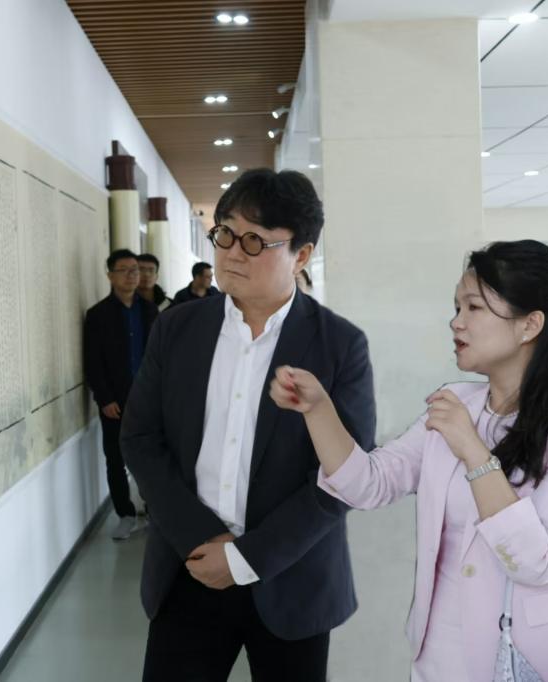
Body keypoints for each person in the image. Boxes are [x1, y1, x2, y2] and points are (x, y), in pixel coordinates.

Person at [270, 240, 548, 681]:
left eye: (474, 307)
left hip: (530, 660)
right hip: (439, 655)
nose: (456, 321)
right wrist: (318, 409)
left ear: (530, 324)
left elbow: (539, 563)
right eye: (457, 307)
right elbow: (369, 484)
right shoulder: (456, 402)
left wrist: (473, 451)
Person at [121, 169, 376, 682]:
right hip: (188, 568)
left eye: (256, 240)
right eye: (226, 233)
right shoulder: (177, 328)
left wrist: (245, 558)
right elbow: (141, 439)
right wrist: (204, 541)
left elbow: (344, 475)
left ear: (301, 255)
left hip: (291, 578)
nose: (233, 253)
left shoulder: (339, 345)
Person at [83, 249, 158, 540]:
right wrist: (104, 399)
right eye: (124, 270)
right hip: (115, 402)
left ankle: (154, 511)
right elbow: (93, 362)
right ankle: (125, 514)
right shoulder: (98, 315)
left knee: (152, 457)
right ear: (110, 275)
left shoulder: (150, 311)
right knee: (115, 458)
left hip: (148, 400)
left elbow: (160, 358)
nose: (132, 275)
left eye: (135, 270)